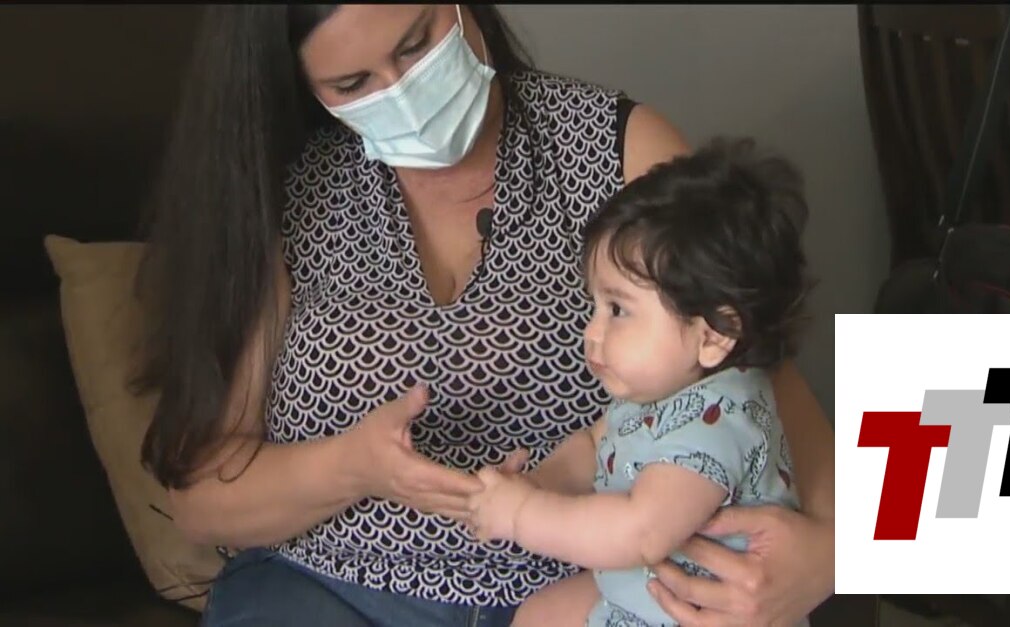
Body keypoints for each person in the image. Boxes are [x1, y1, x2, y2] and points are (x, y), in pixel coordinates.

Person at [133, 5, 835, 627]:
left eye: (416, 43)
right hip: (327, 588)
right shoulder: (283, 191)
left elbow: (763, 378)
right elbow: (201, 500)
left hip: (582, 594)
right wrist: (353, 468)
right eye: (352, 84)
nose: (403, 94)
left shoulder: (619, 146)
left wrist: (836, 554)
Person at [466, 137, 812, 627]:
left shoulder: (715, 426)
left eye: (618, 310)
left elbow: (641, 532)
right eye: (595, 306)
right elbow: (593, 445)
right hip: (646, 595)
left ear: (714, 335)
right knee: (539, 613)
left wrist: (523, 514)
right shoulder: (663, 388)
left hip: (699, 616)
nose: (592, 332)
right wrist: (540, 481)